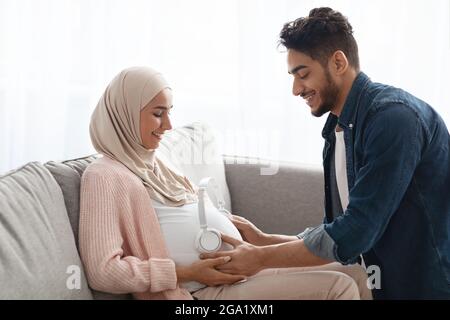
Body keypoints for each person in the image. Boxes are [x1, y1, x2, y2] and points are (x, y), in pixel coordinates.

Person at [201, 7, 450, 299]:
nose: (295, 89)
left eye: (302, 74)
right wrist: (268, 242)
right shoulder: (338, 128)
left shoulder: (394, 119)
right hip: (378, 279)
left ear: (338, 62)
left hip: (422, 287)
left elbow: (355, 232)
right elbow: (340, 234)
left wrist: (261, 258)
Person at [79, 66, 370, 300]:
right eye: (158, 114)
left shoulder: (154, 164)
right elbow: (103, 271)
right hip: (199, 293)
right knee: (337, 288)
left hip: (240, 272)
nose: (169, 126)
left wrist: (252, 239)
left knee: (357, 273)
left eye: (170, 112)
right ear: (126, 114)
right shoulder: (105, 175)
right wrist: (186, 272)